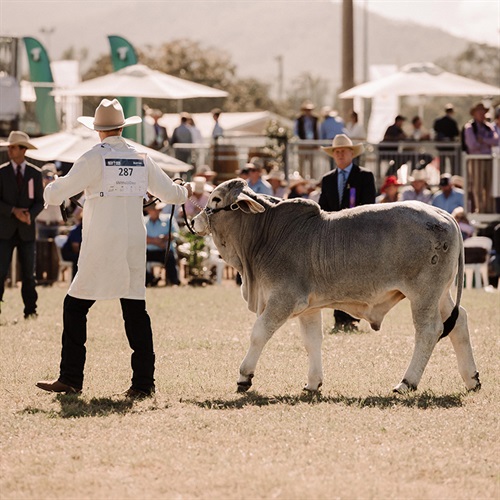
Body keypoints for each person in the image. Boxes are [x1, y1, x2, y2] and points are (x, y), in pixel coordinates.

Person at [36, 98, 191, 398]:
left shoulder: (93, 157)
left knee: (75, 307)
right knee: (135, 311)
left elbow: (57, 195)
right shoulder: (141, 157)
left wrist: (50, 184)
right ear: (122, 127)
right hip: (133, 243)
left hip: (101, 243)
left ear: (98, 130)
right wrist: (182, 187)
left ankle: (70, 378)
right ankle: (143, 384)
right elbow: (172, 194)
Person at [318, 134, 376, 332]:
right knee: (335, 278)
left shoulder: (365, 177)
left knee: (353, 277)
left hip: (357, 235)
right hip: (333, 236)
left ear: (352, 153)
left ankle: (353, 319)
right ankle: (338, 318)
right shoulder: (327, 180)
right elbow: (322, 208)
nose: (340, 154)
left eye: (343, 151)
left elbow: (369, 206)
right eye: (337, 151)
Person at [0, 131, 44, 319]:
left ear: (23, 150)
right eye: (9, 147)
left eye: (13, 147)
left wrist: (30, 215)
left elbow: (40, 201)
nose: (9, 150)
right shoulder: (1, 172)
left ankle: (30, 310)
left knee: (29, 274)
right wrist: (13, 211)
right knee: (0, 273)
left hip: (26, 231)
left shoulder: (35, 173)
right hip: (4, 231)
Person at [463, 102, 499, 213]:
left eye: (483, 111)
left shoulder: (488, 127)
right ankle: (480, 209)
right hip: (476, 160)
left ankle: (488, 209)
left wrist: (482, 140)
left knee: (489, 186)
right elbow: (472, 145)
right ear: (474, 113)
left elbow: (496, 140)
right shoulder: (469, 127)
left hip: (488, 160)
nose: (482, 114)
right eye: (479, 111)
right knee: (478, 186)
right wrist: (487, 143)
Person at [145, 201, 180, 287]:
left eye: (158, 209)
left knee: (170, 257)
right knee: (136, 258)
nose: (156, 211)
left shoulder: (168, 218)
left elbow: (175, 234)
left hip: (164, 251)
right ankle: (150, 279)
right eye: (153, 210)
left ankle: (174, 282)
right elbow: (140, 237)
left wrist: (164, 238)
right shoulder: (143, 220)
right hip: (148, 251)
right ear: (149, 211)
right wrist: (156, 242)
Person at [36, 163, 63, 239]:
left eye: (51, 177)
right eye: (46, 177)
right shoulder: (38, 191)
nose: (48, 180)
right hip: (41, 225)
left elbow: (66, 203)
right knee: (41, 249)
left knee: (56, 250)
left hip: (56, 225)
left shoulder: (59, 190)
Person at [294, 101, 319, 178]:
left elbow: (317, 131)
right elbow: (296, 131)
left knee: (312, 163)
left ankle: (312, 178)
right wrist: (299, 142)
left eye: (310, 110)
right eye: (307, 110)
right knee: (301, 163)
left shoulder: (315, 119)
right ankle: (301, 178)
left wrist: (316, 143)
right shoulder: (299, 119)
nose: (308, 112)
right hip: (302, 144)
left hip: (312, 144)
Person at [61, 208, 83, 279]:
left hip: (76, 252)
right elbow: (75, 247)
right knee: (78, 258)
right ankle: (74, 280)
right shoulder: (77, 230)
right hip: (68, 253)